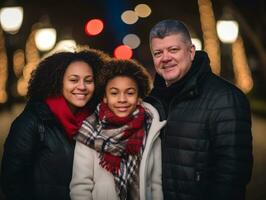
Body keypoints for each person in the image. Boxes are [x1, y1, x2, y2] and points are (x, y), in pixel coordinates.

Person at [145, 19, 253, 200]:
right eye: (158, 53)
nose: (165, 58)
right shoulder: (152, 102)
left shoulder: (226, 98)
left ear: (191, 51)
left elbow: (232, 177)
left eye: (173, 50)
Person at [1, 48, 110, 200]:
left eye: (88, 80)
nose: (82, 86)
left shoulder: (99, 122)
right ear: (58, 81)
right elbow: (12, 183)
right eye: (73, 80)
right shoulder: (33, 122)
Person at [70, 59, 166, 200]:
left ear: (139, 97)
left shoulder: (151, 129)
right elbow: (81, 187)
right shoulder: (89, 132)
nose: (122, 99)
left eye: (130, 93)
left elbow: (155, 184)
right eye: (114, 93)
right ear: (105, 97)